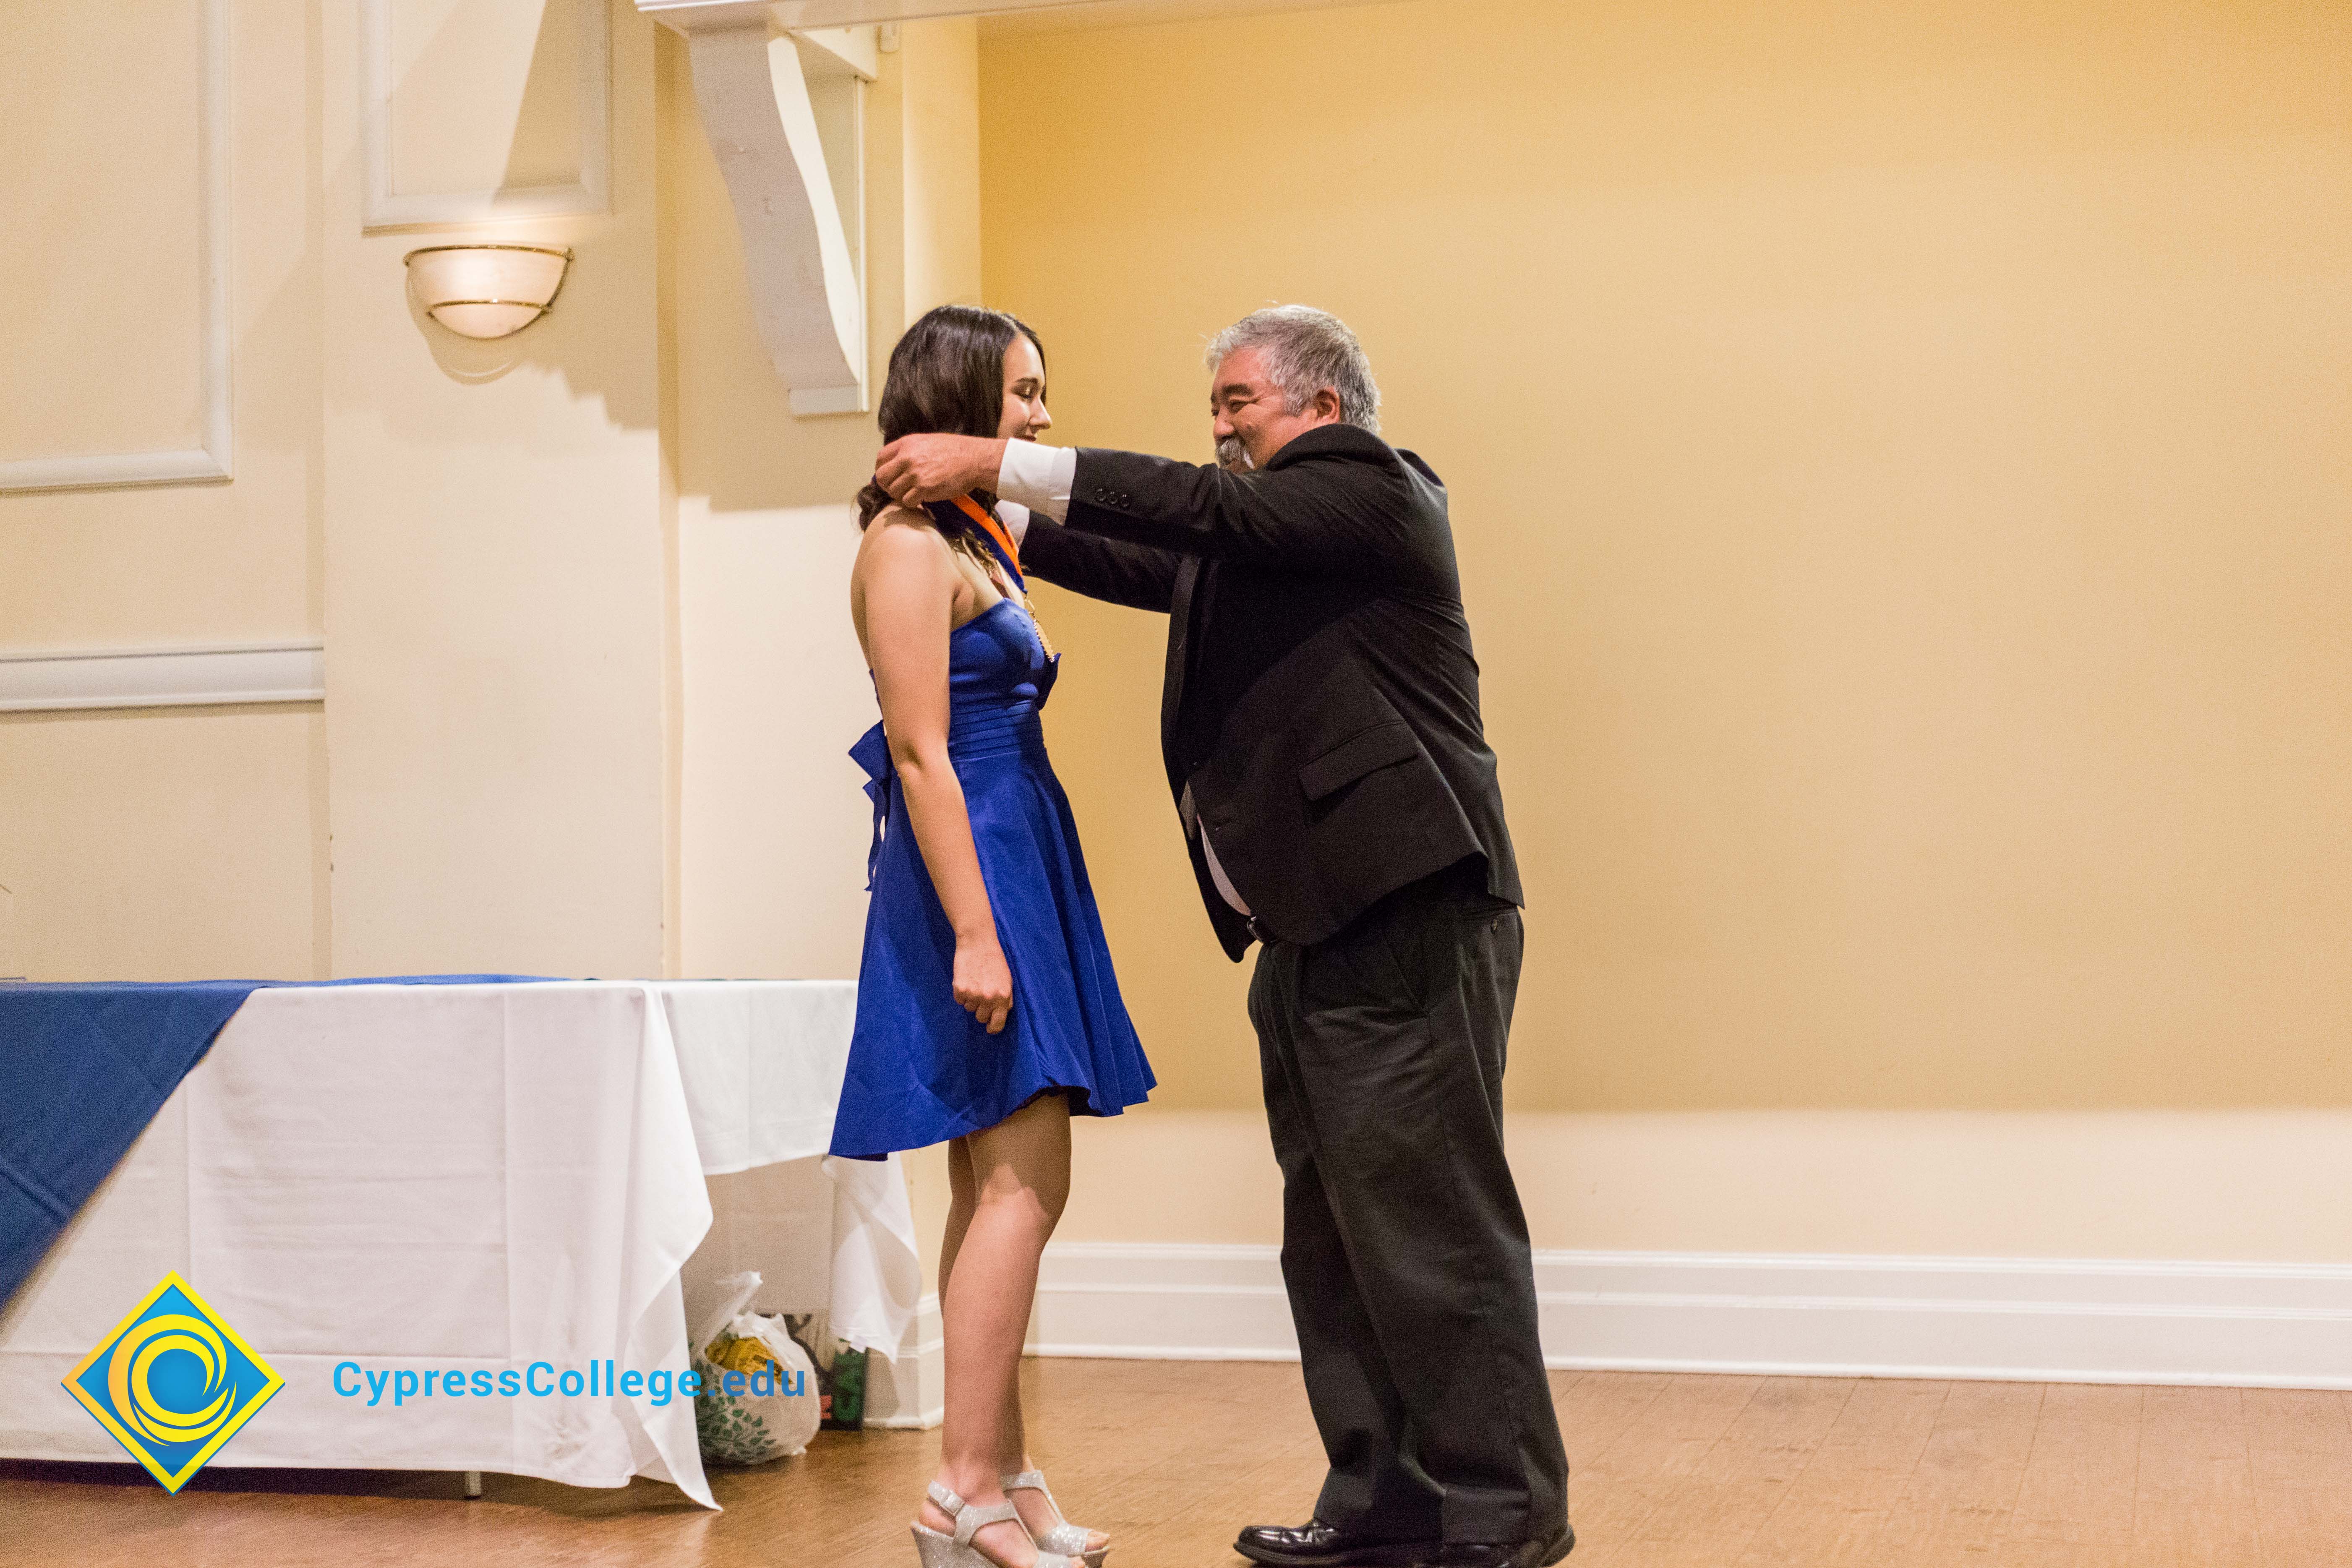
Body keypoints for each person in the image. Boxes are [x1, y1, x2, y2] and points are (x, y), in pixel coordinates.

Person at [873, 306, 1572, 1568]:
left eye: (1238, 402)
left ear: (1323, 407)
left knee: (1432, 1219)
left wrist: (992, 458)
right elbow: (1142, 550)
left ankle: (1501, 1516)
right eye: (1213, 407)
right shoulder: (1266, 543)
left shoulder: (1375, 488)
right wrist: (968, 506)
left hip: (1408, 910)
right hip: (1316, 925)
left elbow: (1195, 508)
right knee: (1335, 1229)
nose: (1218, 426)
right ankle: (1384, 1499)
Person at [832, 304, 1153, 1568]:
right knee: (1027, 1179)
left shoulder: (976, 532)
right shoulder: (908, 547)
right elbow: (920, 752)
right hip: (979, 867)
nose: (1042, 414)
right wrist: (975, 929)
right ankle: (958, 1490)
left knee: (996, 1185)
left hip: (1022, 846)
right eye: (1023, 393)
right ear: (962, 396)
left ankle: (1004, 1473)